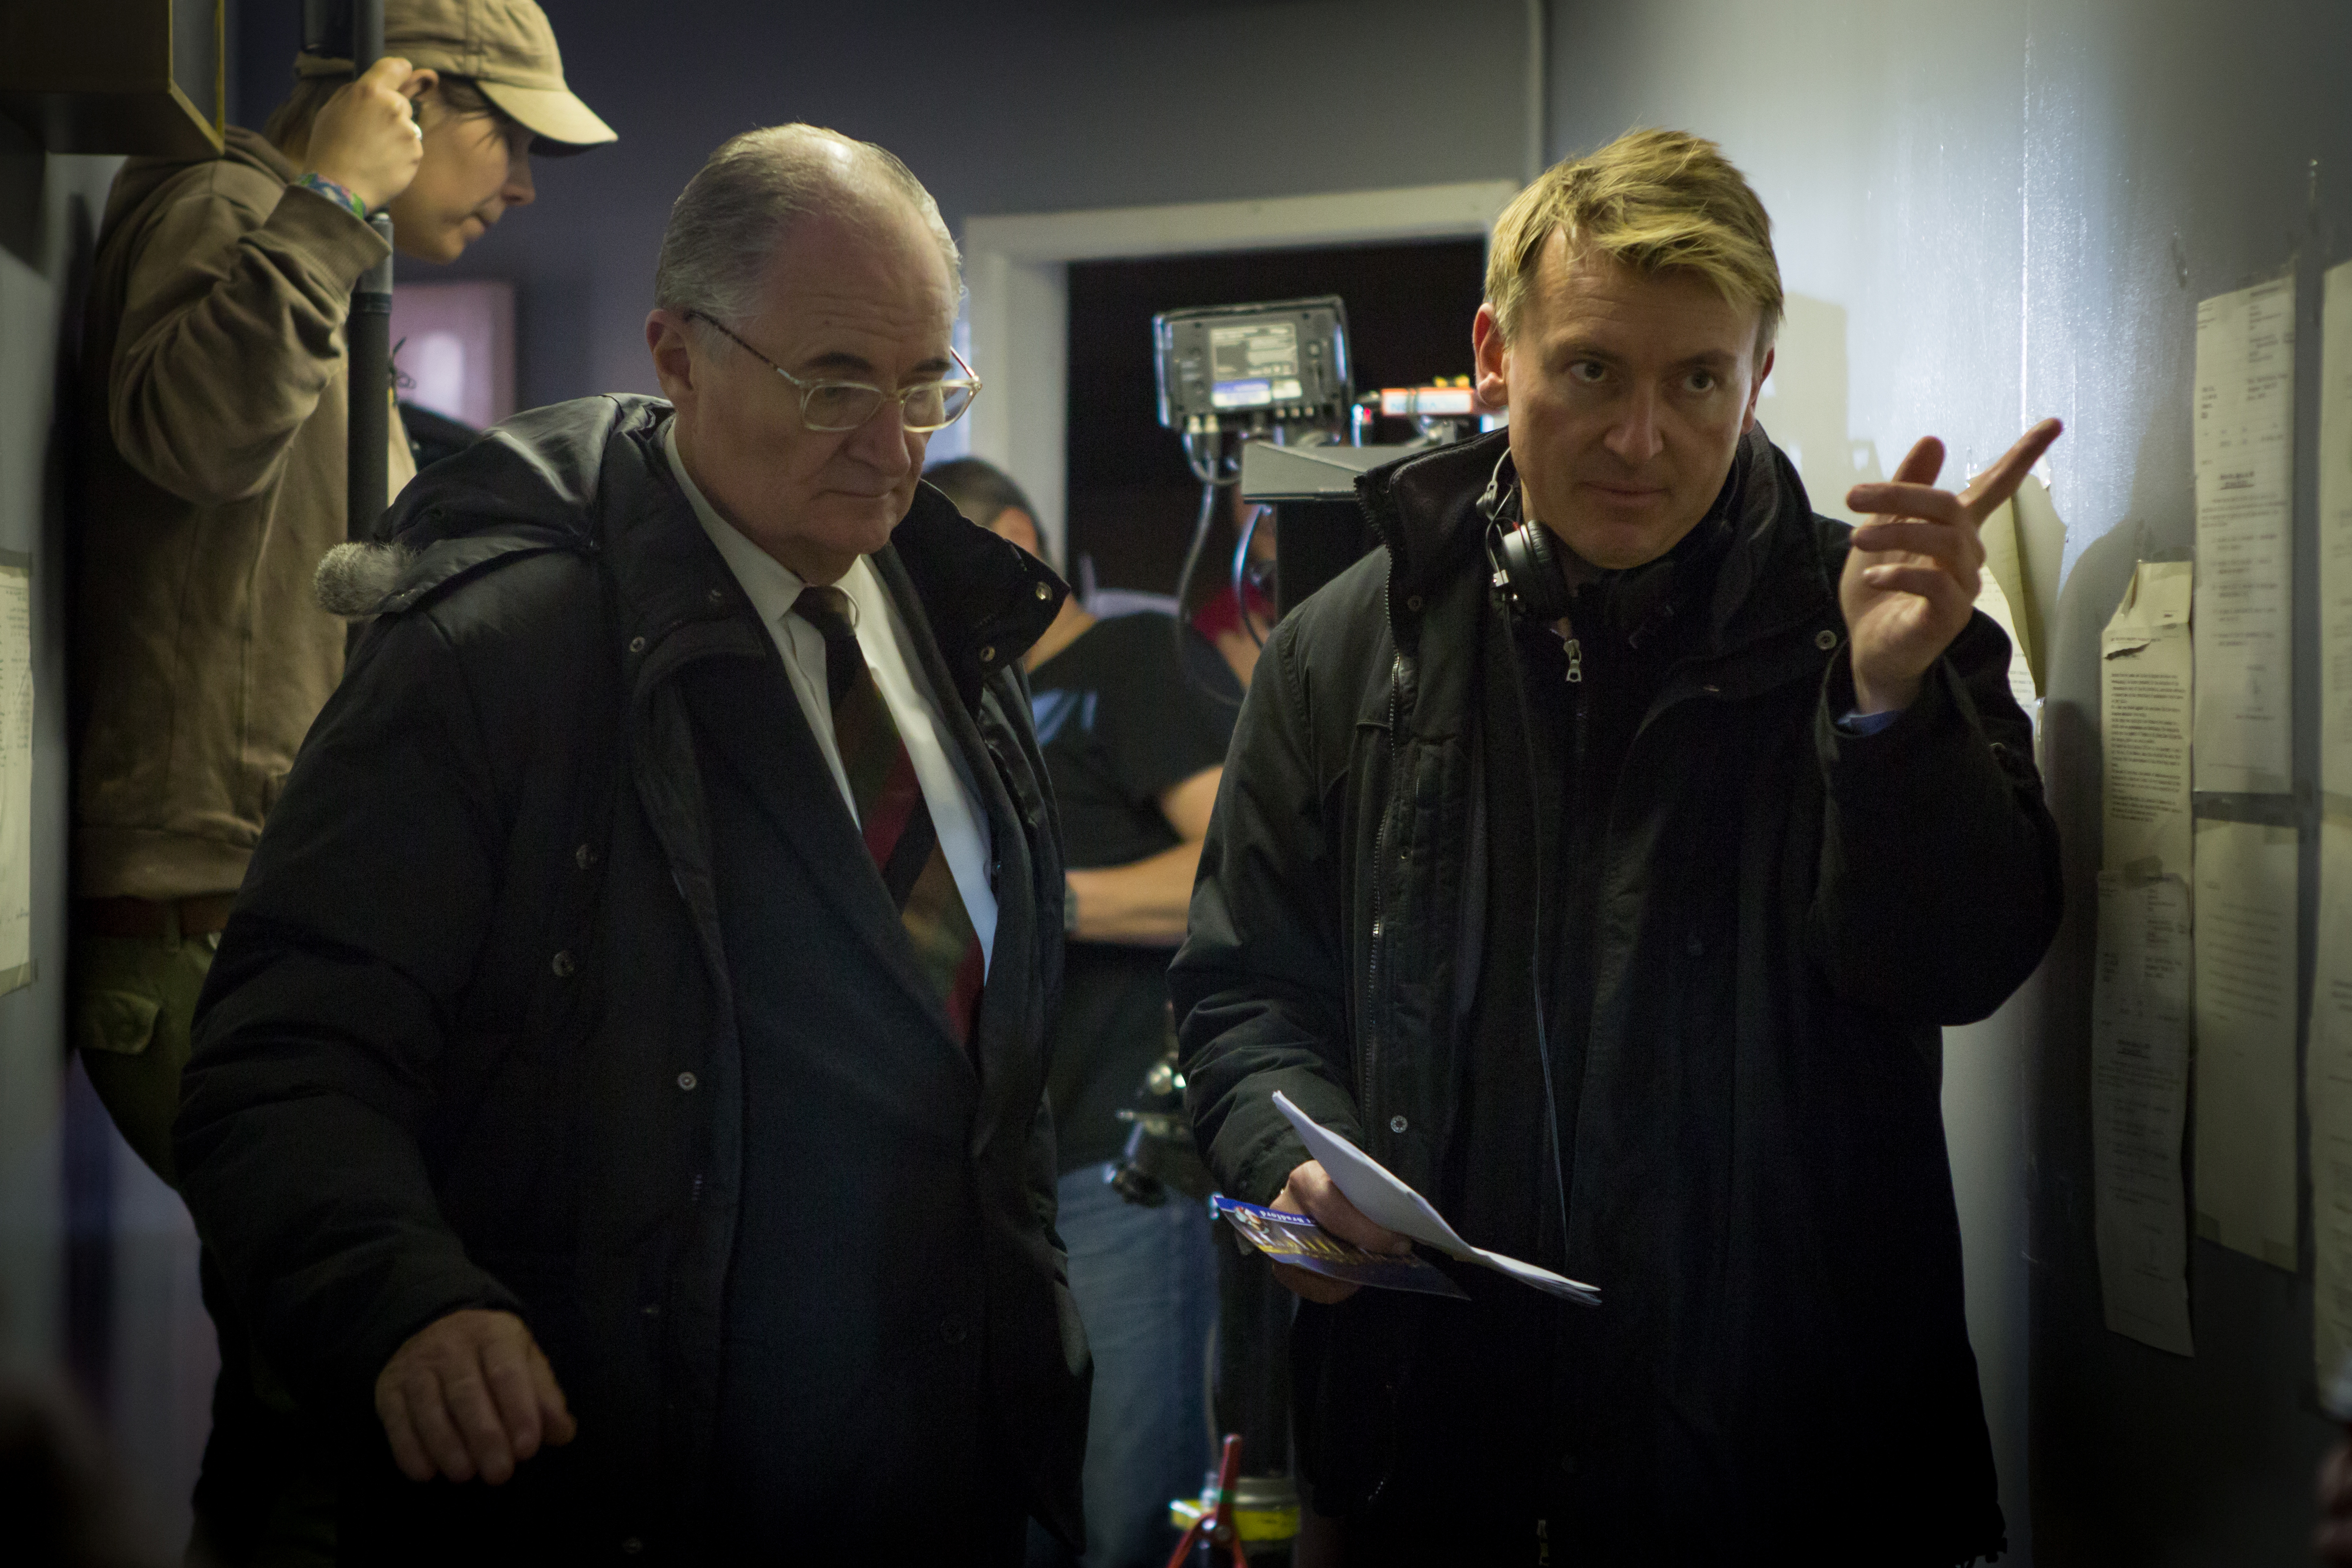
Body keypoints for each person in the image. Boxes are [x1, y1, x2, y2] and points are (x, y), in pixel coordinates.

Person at [175, 123, 1087, 1564]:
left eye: (926, 382)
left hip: (928, 1474)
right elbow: (279, 1058)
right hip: (615, 1488)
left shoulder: (949, 618)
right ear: (676, 354)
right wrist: (405, 1294)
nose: (896, 441)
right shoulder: (497, 651)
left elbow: (981, 1060)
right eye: (834, 381)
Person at [1169, 127, 2066, 1563]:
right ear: (1492, 351)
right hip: (1426, 1461)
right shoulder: (1343, 653)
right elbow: (1240, 991)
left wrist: (1889, 707)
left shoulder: (1885, 632)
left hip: (1788, 1467)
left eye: (1694, 379)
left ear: (1754, 376)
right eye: (1589, 369)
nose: (1639, 437)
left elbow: (1955, 961)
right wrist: (1286, 1149)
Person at [70, 3, 608, 1561]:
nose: (519, 185)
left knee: (305, 1387)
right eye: (507, 134)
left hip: (262, 907)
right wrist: (333, 205)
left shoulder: (313, 258)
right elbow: (186, 434)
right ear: (410, 92)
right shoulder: (237, 214)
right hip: (203, 920)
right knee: (352, 1393)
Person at [928, 457, 1235, 1568]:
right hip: (1009, 1166)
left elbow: (1234, 871)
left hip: (1123, 1158)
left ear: (1014, 538)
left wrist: (1034, 896)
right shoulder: (977, 698)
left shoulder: (1130, 658)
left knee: (1123, 1506)